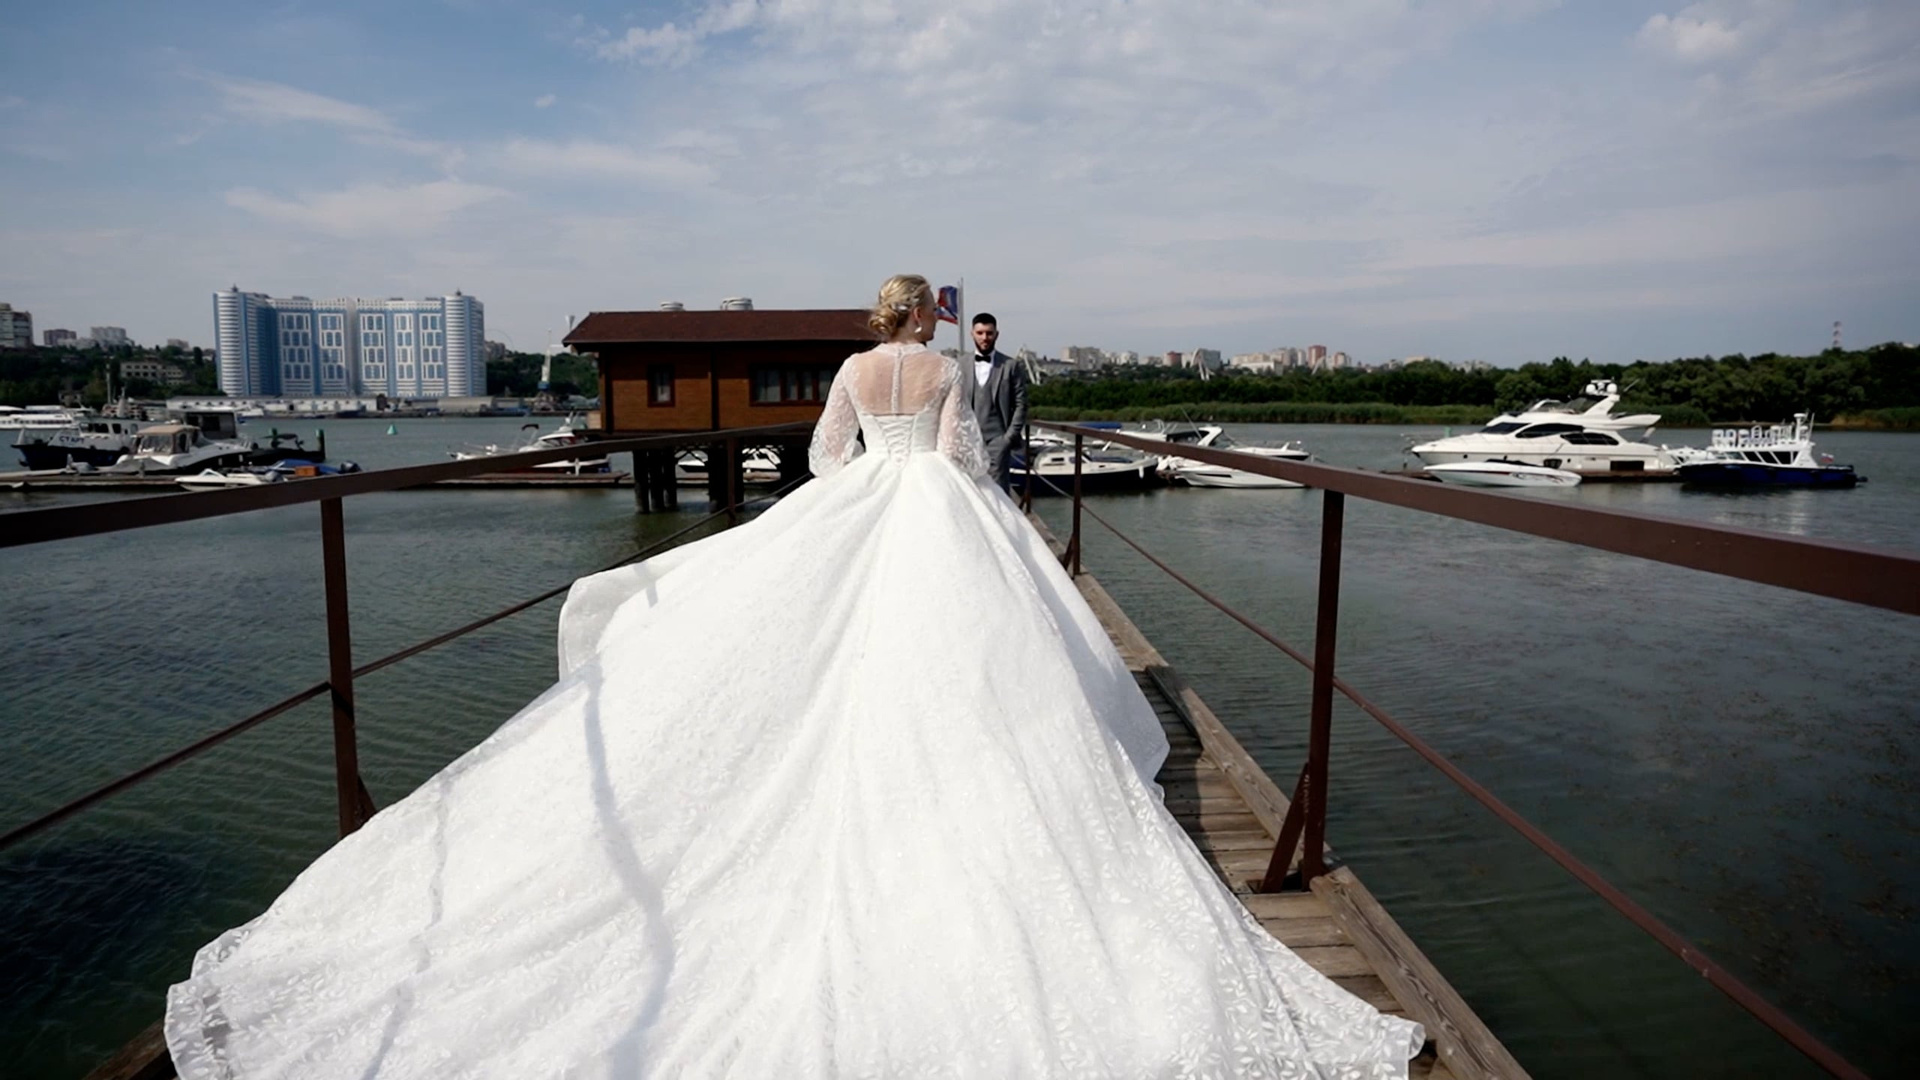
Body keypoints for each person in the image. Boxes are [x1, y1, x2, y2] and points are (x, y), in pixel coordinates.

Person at [163, 275, 1422, 1079]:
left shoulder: (851, 373)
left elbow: (823, 461)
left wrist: (854, 500)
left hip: (863, 503)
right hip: (936, 516)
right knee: (972, 669)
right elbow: (967, 462)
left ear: (874, 324)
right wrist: (943, 497)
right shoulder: (940, 379)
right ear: (927, 321)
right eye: (931, 315)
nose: (928, 332)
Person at [968, 312, 1027, 491]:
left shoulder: (1011, 365)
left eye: (989, 333)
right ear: (972, 333)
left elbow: (1021, 404)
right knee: (970, 490)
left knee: (998, 491)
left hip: (998, 440)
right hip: (969, 439)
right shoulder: (960, 363)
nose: (984, 338)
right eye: (980, 333)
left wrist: (1008, 438)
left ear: (996, 334)